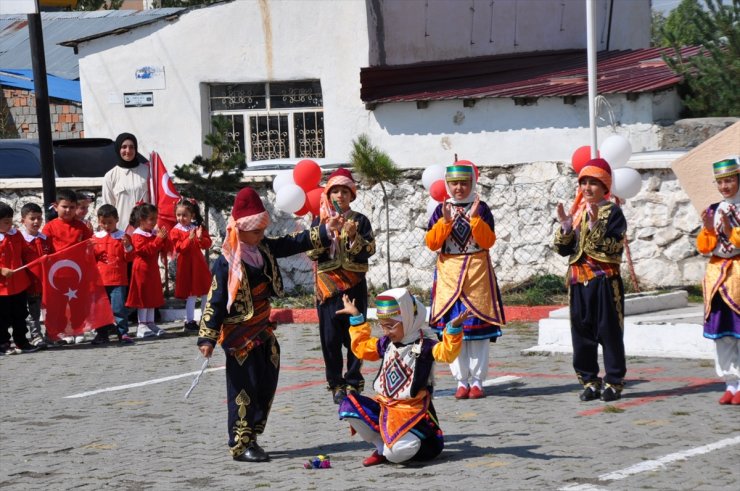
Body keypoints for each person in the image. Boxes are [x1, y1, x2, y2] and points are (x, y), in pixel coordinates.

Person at [197, 187, 338, 462]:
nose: (261, 236)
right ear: (239, 230)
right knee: (243, 388)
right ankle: (241, 443)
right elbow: (214, 300)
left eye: (262, 231)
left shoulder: (263, 247)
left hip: (263, 328)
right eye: (255, 232)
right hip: (239, 336)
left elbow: (291, 242)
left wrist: (323, 231)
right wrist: (207, 338)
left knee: (267, 380)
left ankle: (253, 432)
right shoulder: (226, 263)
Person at [336, 288, 464, 466]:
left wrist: (454, 329)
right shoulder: (386, 343)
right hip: (385, 407)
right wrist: (357, 317)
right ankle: (381, 446)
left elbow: (446, 353)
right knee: (347, 405)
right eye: (383, 326)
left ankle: (393, 449)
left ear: (408, 320)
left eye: (391, 326)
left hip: (412, 413)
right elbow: (362, 348)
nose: (386, 331)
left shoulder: (425, 346)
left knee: (395, 453)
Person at [425, 161, 505, 400]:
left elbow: (489, 241)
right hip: (449, 274)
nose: (459, 188)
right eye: (454, 183)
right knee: (454, 329)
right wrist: (446, 223)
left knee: (477, 331)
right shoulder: (441, 209)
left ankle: (478, 381)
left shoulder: (481, 208)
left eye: (464, 183)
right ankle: (461, 381)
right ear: (447, 185)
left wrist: (474, 220)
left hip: (476, 273)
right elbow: (432, 244)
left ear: (472, 183)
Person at [554, 157, 627, 402]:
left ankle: (614, 382)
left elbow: (610, 248)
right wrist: (565, 228)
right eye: (583, 182)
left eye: (593, 183)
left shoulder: (613, 212)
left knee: (609, 332)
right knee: (582, 334)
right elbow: (564, 250)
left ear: (605, 186)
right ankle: (590, 381)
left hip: (605, 281)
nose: (587, 188)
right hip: (578, 282)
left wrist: (595, 223)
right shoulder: (577, 214)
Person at [306, 168, 376, 404]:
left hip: (354, 286)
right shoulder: (320, 221)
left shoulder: (361, 220)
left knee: (355, 334)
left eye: (345, 191)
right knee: (330, 339)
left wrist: (355, 237)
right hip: (327, 288)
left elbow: (369, 250)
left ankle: (354, 381)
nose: (340, 196)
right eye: (335, 191)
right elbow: (311, 251)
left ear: (351, 195)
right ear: (328, 194)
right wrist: (327, 233)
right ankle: (336, 384)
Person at [695, 157, 740, 405]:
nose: (725, 186)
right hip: (717, 278)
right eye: (721, 182)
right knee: (723, 334)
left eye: (730, 180)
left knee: (739, 332)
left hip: (738, 275)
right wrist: (709, 228)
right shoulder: (714, 209)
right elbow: (705, 247)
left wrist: (731, 226)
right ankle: (730, 383)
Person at [42, 189, 94, 344]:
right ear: (55, 206)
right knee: (58, 305)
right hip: (57, 275)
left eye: (72, 207)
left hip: (77, 274)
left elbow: (89, 247)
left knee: (78, 303)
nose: (68, 210)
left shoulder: (81, 227)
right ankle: (59, 331)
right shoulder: (49, 227)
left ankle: (78, 329)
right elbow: (45, 249)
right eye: (64, 207)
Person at [91, 204, 136, 345]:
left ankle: (123, 333)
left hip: (117, 279)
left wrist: (127, 246)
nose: (106, 226)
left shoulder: (122, 236)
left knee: (118, 308)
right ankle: (102, 334)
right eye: (103, 222)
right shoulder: (95, 238)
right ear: (98, 221)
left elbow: (129, 258)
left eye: (109, 222)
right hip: (100, 280)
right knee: (100, 309)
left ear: (116, 220)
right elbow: (91, 259)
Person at [0, 201, 39, 355]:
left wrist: (38, 258)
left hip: (19, 284)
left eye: (10, 220)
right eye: (5, 222)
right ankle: (3, 343)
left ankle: (21, 341)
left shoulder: (16, 234)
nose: (10, 224)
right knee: (2, 317)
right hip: (2, 288)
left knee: (20, 314)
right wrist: (1, 270)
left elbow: (26, 252)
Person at [169, 199, 212, 333]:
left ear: (192, 215)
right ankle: (189, 321)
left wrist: (199, 238)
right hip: (186, 264)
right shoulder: (175, 231)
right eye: (178, 215)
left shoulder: (197, 227)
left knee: (205, 291)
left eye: (184, 215)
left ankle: (206, 318)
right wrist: (190, 238)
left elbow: (207, 244)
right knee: (191, 294)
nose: (181, 218)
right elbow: (179, 248)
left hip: (199, 263)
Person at [125, 203, 168, 339]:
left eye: (155, 218)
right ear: (142, 220)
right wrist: (158, 240)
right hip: (141, 269)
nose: (154, 222)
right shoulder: (137, 235)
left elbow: (160, 248)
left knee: (151, 295)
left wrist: (163, 238)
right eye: (151, 219)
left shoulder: (152, 234)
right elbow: (146, 251)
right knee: (142, 296)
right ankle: (141, 324)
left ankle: (150, 322)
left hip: (152, 269)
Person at [102, 133, 150, 232]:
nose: (128, 151)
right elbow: (108, 206)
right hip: (121, 231)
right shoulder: (111, 176)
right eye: (124, 147)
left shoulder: (147, 171)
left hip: (146, 230)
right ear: (118, 149)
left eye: (131, 147)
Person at [19, 202, 52, 348]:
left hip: (45, 283)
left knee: (49, 311)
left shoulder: (45, 239)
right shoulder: (21, 240)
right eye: (32, 218)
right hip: (30, 284)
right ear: (23, 220)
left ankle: (50, 334)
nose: (36, 222)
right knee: (33, 313)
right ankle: (35, 335)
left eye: (39, 218)